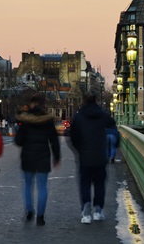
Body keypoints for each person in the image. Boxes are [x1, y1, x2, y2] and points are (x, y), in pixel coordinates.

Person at [70, 92, 118, 224]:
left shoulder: (79, 117)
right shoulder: (102, 115)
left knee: (84, 183)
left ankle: (86, 209)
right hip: (100, 155)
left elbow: (72, 136)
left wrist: (79, 149)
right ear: (96, 100)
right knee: (99, 183)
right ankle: (98, 210)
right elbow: (112, 122)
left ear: (84, 101)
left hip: (85, 156)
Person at [14, 92, 60, 225]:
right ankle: (40, 216)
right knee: (42, 187)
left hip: (28, 156)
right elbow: (54, 140)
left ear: (32, 103)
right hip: (43, 157)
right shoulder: (47, 120)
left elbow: (18, 140)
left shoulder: (26, 120)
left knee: (28, 185)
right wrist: (57, 156)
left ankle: (29, 211)